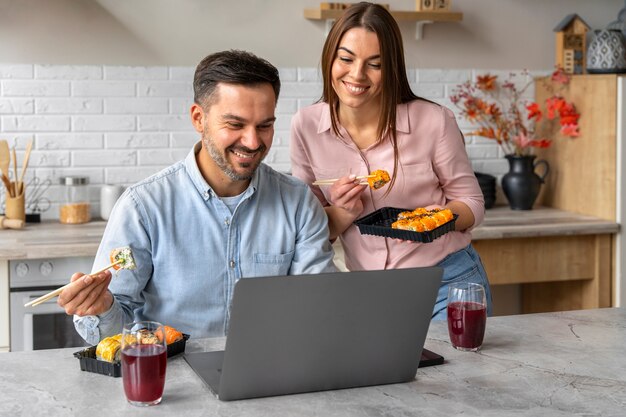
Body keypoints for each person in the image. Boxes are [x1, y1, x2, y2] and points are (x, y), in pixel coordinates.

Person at [59, 50, 337, 344]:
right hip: (171, 381)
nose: (253, 141)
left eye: (264, 125)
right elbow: (112, 330)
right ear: (198, 118)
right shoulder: (143, 207)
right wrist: (102, 309)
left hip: (270, 376)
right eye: (235, 124)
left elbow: (317, 307)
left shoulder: (297, 203)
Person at [289, 2, 492, 319]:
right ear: (330, 58)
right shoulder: (306, 126)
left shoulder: (434, 121)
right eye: (346, 58)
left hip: (445, 283)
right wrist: (342, 213)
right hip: (368, 293)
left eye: (375, 64)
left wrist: (444, 218)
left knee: (459, 371)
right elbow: (308, 229)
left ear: (392, 68)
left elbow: (472, 201)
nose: (357, 74)